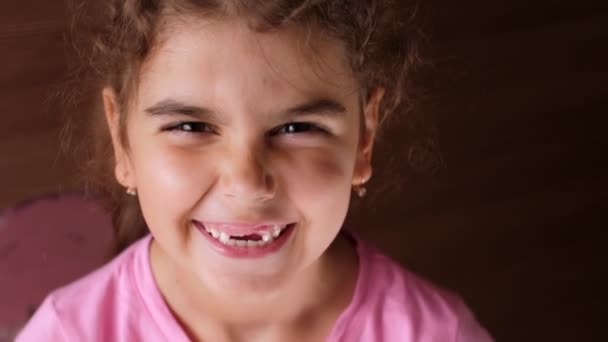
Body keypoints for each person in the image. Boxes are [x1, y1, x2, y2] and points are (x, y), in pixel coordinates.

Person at [17, 0, 493, 341]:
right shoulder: (65, 332)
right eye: (191, 126)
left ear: (364, 139)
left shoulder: (436, 332)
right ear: (123, 141)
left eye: (295, 127)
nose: (246, 182)